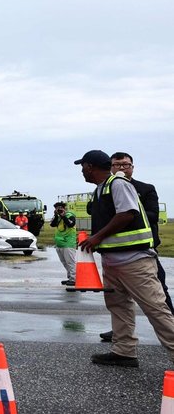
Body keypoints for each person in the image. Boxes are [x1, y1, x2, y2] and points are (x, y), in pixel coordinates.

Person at [75, 150, 174, 367]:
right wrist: (95, 242)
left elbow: (127, 213)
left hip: (135, 261)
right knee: (118, 306)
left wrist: (97, 238)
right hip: (113, 262)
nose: (81, 170)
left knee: (156, 309)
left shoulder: (117, 184)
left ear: (90, 166)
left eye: (83, 166)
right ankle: (124, 351)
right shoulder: (100, 190)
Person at [100, 151, 172, 344]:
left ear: (133, 167)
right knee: (119, 301)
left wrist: (128, 213)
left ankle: (170, 329)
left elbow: (152, 214)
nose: (122, 168)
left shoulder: (145, 188)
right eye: (117, 165)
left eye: (126, 165)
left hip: (140, 251)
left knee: (157, 299)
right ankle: (121, 339)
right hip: (115, 254)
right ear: (111, 167)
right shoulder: (106, 188)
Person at [49, 202, 77, 286]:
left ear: (65, 208)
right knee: (64, 262)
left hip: (68, 242)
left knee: (70, 262)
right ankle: (70, 277)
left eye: (60, 208)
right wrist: (56, 215)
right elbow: (52, 224)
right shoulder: (57, 217)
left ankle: (74, 278)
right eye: (57, 208)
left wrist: (63, 216)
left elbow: (70, 224)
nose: (59, 209)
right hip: (59, 242)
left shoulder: (70, 215)